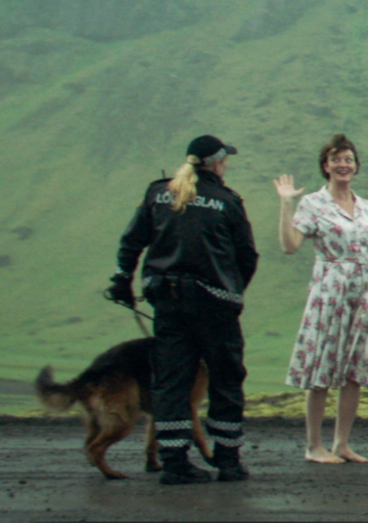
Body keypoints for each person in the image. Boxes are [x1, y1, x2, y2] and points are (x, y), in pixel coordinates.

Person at [108, 134, 258, 485]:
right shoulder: (228, 201)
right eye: (225, 161)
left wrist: (122, 282)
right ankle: (228, 461)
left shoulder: (157, 193)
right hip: (216, 307)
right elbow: (246, 256)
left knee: (171, 383)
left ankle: (174, 462)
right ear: (217, 163)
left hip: (169, 303)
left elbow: (132, 242)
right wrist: (233, 290)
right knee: (226, 379)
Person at [274, 134, 368, 464]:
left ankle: (342, 443)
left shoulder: (366, 207)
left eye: (348, 159)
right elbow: (290, 245)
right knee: (322, 365)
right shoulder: (313, 204)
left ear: (356, 166)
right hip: (330, 291)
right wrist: (286, 203)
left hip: (365, 291)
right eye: (336, 159)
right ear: (326, 166)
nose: (343, 164)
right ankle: (313, 446)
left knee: (355, 370)